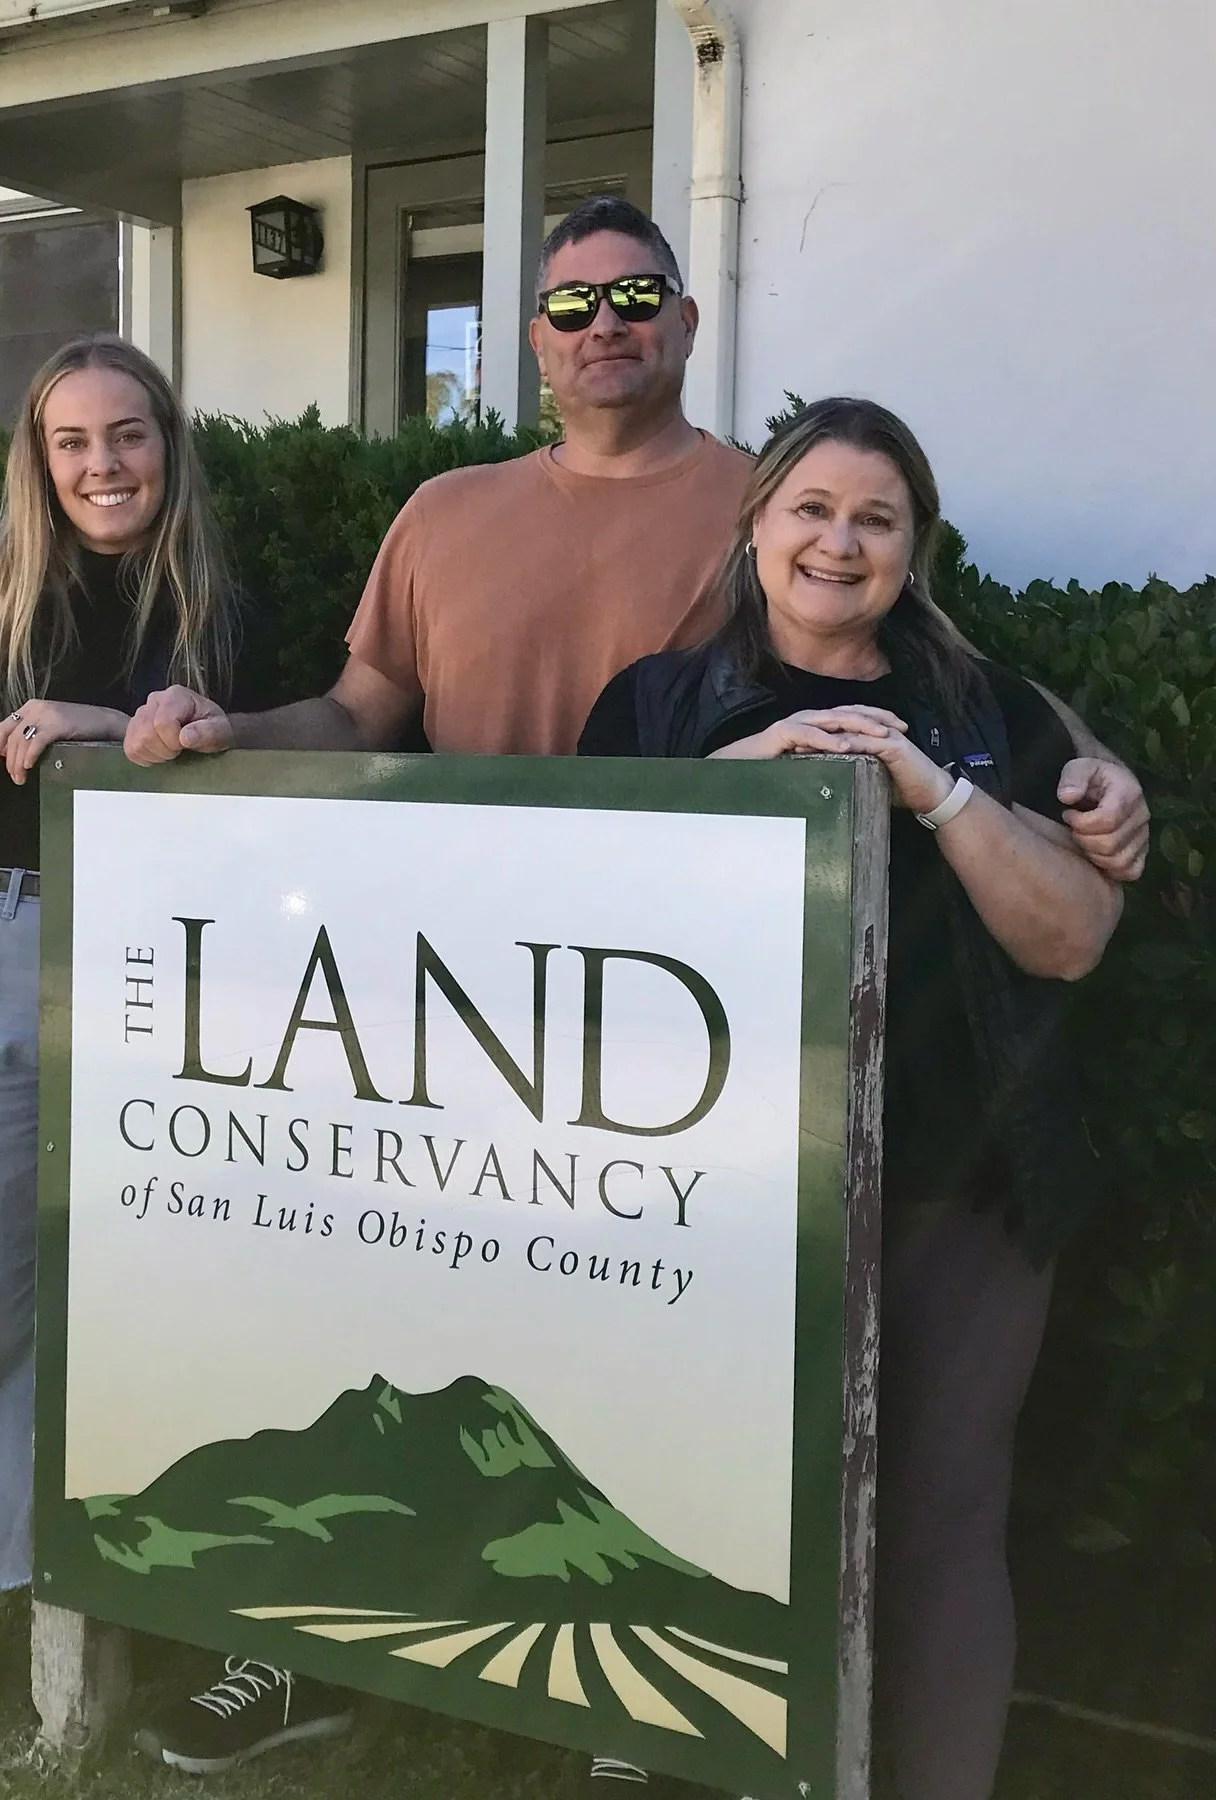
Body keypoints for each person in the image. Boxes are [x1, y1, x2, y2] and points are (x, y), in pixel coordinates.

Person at [121, 200, 1148, 1791]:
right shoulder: (452, 519)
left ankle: (658, 1729)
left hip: (754, 1099)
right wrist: (219, 733)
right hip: (486, 1034)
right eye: (571, 301)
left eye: (636, 294)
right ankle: (329, 1652)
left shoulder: (776, 511)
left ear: (677, 321)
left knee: (771, 1454)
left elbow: (972, 689)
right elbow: (355, 712)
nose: (605, 321)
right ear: (531, 337)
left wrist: (1098, 764)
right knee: (426, 1374)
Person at [579, 396, 1124, 1800]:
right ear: (755, 523)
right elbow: (577, 916)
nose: (839, 541)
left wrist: (933, 789)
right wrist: (738, 783)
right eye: (811, 508)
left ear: (913, 548)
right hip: (721, 1196)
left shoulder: (986, 713)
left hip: (964, 1180)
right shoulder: (650, 706)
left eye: (875, 518)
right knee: (717, 1507)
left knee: (945, 1520)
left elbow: (1067, 934)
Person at [0, 335, 314, 1735]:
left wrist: (114, 725)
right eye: (72, 441)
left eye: (130, 436)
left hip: (174, 974)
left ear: (169, 446)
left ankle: (147, 1574)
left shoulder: (222, 609)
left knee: (163, 1289)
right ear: (36, 462)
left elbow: (290, 762)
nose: (103, 466)